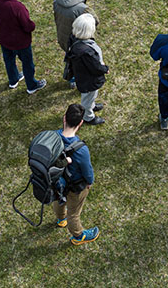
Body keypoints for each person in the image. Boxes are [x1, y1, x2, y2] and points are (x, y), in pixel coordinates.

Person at [51, 103, 100, 245]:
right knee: (74, 213)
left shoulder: (53, 137)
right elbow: (87, 171)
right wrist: (90, 182)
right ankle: (78, 236)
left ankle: (61, 219)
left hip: (57, 180)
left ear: (64, 118)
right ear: (81, 123)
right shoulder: (81, 150)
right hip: (75, 186)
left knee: (58, 200)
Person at [0, 0, 46, 93]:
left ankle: (13, 79)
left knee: (9, 60)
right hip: (20, 42)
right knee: (27, 63)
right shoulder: (17, 7)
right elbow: (28, 26)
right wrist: (33, 25)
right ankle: (31, 85)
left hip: (4, 39)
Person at [53, 0, 97, 82]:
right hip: (76, 42)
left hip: (63, 38)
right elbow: (95, 20)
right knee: (78, 62)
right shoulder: (81, 8)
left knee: (71, 58)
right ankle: (74, 79)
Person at [66, 13, 107, 125]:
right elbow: (95, 67)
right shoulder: (86, 52)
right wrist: (105, 69)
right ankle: (88, 116)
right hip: (89, 81)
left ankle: (92, 106)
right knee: (87, 99)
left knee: (89, 97)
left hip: (82, 76)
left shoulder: (74, 38)